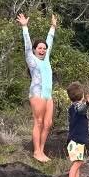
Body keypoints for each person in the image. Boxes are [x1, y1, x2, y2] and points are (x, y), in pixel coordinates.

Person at [17, 11, 56, 162]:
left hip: (48, 95)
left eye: (44, 48)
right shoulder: (32, 60)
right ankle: (36, 152)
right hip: (37, 94)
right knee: (38, 122)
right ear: (34, 50)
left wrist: (53, 26)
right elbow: (27, 45)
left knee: (48, 124)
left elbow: (49, 41)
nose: (42, 50)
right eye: (39, 48)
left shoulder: (46, 59)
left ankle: (42, 150)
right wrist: (25, 27)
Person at [65, 82, 89, 177]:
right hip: (76, 140)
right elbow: (82, 109)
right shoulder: (77, 107)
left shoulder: (72, 107)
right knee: (78, 162)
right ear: (82, 96)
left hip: (75, 140)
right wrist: (87, 103)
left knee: (77, 162)